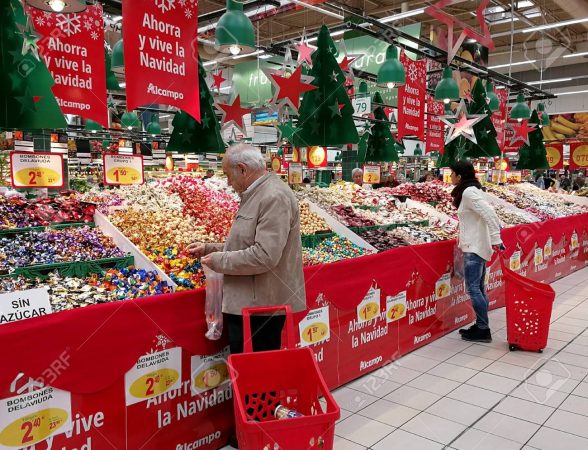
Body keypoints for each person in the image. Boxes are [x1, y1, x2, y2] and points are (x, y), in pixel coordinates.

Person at [186, 144, 306, 355]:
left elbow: (264, 256)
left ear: (242, 169)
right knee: (249, 372)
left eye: (228, 175)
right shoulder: (257, 194)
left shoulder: (273, 197)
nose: (228, 182)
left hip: (260, 309)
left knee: (257, 376)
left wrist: (219, 261)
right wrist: (209, 248)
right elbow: (248, 244)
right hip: (250, 302)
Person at [450, 160, 503, 343]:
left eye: (452, 173)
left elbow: (490, 214)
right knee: (479, 288)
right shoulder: (471, 190)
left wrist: (496, 238)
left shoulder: (469, 192)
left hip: (474, 247)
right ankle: (480, 325)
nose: (450, 177)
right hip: (476, 245)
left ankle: (483, 329)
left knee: (473, 289)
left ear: (460, 175)